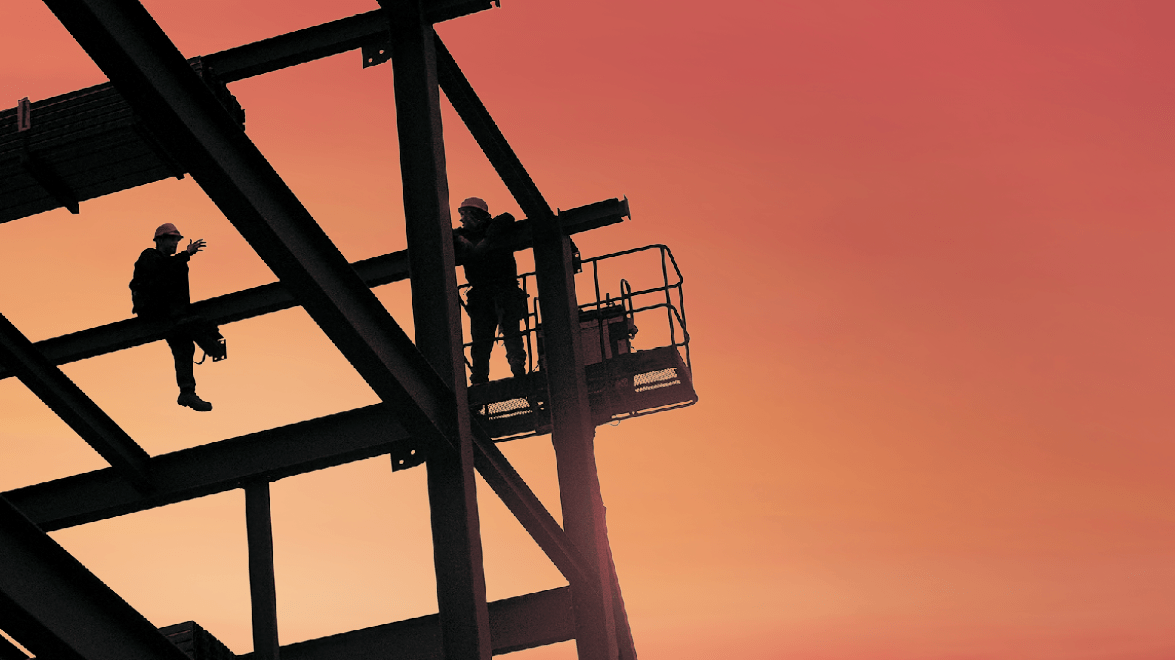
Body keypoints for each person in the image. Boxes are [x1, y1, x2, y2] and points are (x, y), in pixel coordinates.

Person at [129, 223, 214, 411]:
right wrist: (186, 255)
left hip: (169, 313)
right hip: (152, 309)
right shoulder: (149, 256)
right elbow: (160, 275)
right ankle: (187, 391)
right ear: (160, 240)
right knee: (179, 265)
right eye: (172, 239)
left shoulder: (174, 263)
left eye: (177, 239)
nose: (175, 243)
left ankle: (187, 392)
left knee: (184, 346)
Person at [453, 197, 528, 385]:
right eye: (462, 214)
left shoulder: (496, 228)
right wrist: (460, 239)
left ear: (479, 215)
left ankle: (518, 369)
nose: (464, 218)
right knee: (481, 340)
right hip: (481, 295)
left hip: (505, 290)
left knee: (510, 332)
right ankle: (479, 378)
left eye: (467, 214)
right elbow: (444, 235)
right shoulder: (460, 236)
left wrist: (485, 241)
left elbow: (507, 217)